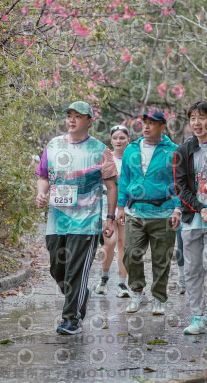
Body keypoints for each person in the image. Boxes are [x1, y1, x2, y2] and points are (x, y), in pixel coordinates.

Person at [35, 101, 118, 335]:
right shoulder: (54, 145)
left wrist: (109, 218)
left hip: (86, 222)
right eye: (69, 115)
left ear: (90, 121)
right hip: (56, 221)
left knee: (76, 272)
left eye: (78, 116)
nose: (72, 120)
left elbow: (112, 186)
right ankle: (80, 294)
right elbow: (43, 176)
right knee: (57, 270)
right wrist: (41, 193)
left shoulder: (100, 150)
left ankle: (71, 319)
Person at [117, 110, 181, 315]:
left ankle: (159, 298)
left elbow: (178, 182)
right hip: (135, 212)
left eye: (152, 123)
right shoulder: (131, 149)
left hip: (163, 212)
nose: (146, 126)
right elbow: (124, 179)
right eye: (144, 122)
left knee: (161, 259)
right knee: (131, 253)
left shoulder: (173, 151)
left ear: (163, 127)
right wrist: (120, 206)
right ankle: (137, 292)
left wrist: (178, 208)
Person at [174, 101, 207, 335]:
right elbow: (181, 187)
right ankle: (198, 316)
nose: (197, 122)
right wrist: (200, 208)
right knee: (192, 269)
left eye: (202, 117)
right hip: (192, 217)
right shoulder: (183, 151)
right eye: (193, 118)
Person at [95, 125, 131, 298]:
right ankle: (104, 277)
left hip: (127, 205)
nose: (118, 141)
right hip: (107, 205)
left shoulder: (132, 159)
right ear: (111, 140)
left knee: (123, 244)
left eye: (122, 138)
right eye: (115, 138)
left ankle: (122, 284)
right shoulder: (105, 158)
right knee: (109, 242)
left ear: (128, 140)